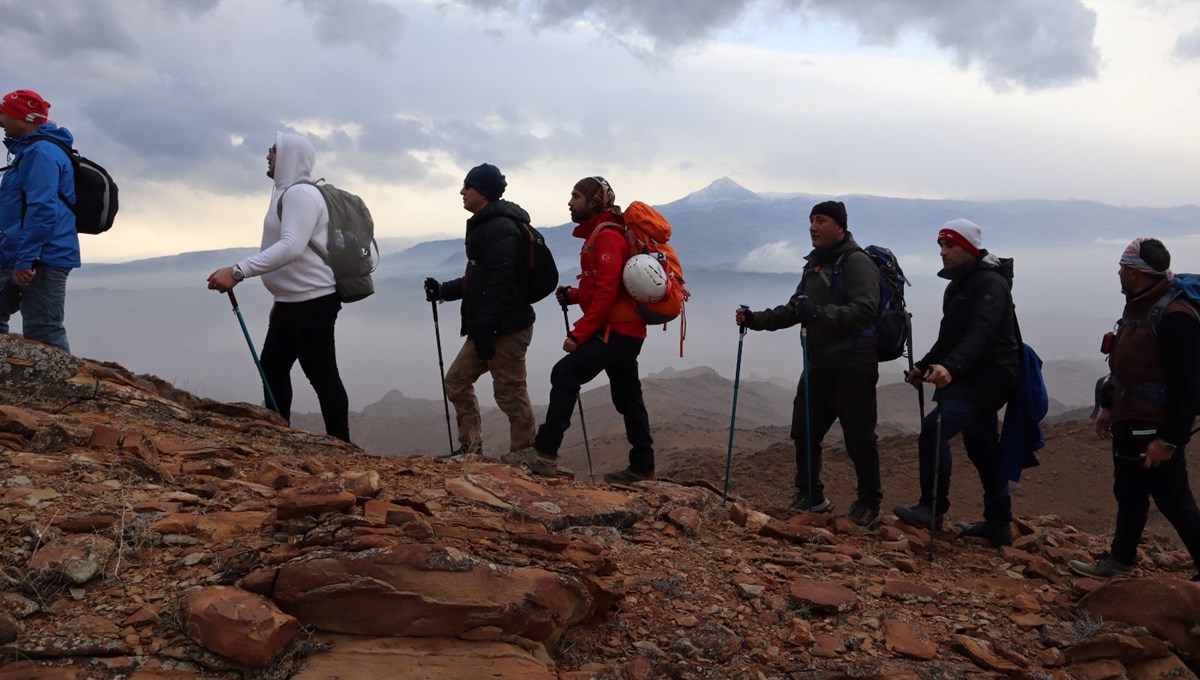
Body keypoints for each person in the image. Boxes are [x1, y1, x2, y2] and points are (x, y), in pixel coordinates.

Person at [734, 200, 883, 527]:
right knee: (804, 431)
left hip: (853, 365)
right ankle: (810, 494)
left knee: (858, 437)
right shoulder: (815, 264)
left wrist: (819, 314)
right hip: (819, 364)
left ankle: (870, 503)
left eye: (821, 220)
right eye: (811, 220)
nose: (813, 227)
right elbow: (794, 309)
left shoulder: (856, 263)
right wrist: (756, 319)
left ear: (839, 226)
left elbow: (865, 311)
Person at [503, 177, 654, 483]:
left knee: (565, 374)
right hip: (627, 330)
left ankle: (545, 453)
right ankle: (642, 465)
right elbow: (602, 285)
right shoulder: (603, 232)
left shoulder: (607, 235)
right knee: (628, 396)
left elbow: (608, 291)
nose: (570, 202)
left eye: (576, 196)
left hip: (616, 330)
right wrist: (573, 296)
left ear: (595, 201)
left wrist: (579, 333)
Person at [1068, 238, 1200, 580]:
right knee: (1129, 494)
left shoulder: (1175, 317)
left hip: (1154, 428)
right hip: (1129, 420)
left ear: (1137, 273)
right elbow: (1125, 365)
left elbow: (1187, 387)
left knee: (1174, 501)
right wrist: (1108, 406)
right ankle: (1120, 560)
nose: (1119, 273)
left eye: (1123, 268)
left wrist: (1168, 440)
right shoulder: (1139, 306)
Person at [207, 132, 350, 442]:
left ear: (290, 156)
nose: (268, 156)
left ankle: (341, 445)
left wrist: (238, 271)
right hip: (293, 302)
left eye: (273, 150)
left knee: (321, 376)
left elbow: (291, 247)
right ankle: (278, 437)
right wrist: (281, 295)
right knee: (272, 367)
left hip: (311, 303)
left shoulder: (300, 195)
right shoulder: (285, 193)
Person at [894, 219, 1020, 547]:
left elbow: (982, 333)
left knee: (936, 428)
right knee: (982, 448)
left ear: (969, 248)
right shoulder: (959, 285)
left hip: (988, 377)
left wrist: (951, 368)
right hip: (969, 374)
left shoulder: (990, 284)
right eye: (941, 246)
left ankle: (932, 508)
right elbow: (949, 336)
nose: (943, 252)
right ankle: (999, 523)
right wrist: (924, 366)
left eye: (950, 246)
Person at [424, 163, 536, 457]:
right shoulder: (488, 224)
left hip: (507, 328)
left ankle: (524, 457)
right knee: (457, 382)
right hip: (490, 325)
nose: (462, 191)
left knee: (511, 394)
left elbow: (500, 283)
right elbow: (480, 280)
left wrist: (485, 327)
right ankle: (471, 449)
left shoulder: (499, 227)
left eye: (467, 186)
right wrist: (444, 290)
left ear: (482, 192)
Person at [0, 89, 80, 352]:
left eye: (4, 114)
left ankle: (62, 392)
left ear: (24, 118)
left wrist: (26, 259)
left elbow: (43, 208)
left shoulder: (41, 153)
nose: (0, 120)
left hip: (42, 257)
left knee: (43, 331)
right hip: (18, 252)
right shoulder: (29, 151)